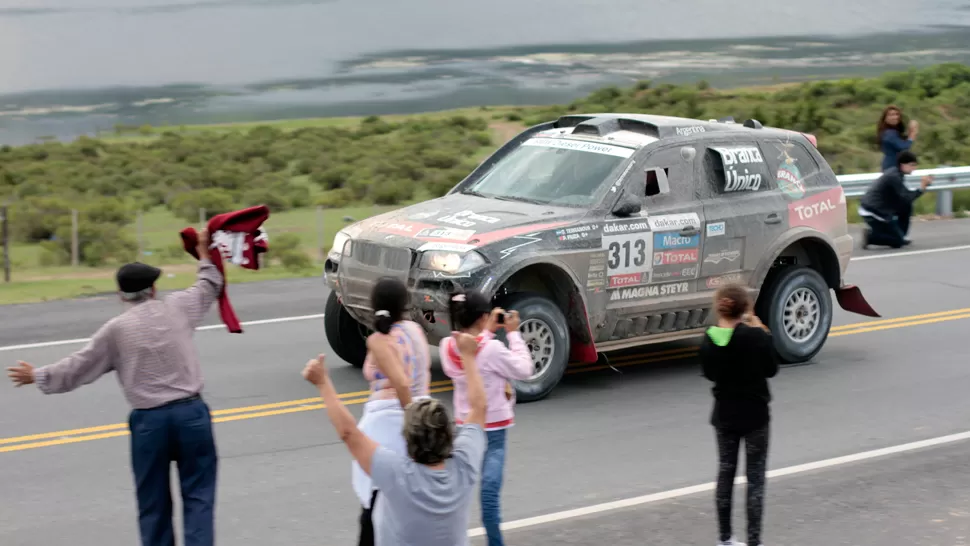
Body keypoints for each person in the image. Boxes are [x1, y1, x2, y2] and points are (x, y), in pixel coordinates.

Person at [6, 230, 223, 546]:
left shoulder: (116, 331)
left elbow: (79, 366)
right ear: (153, 289)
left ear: (121, 295)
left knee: (153, 503)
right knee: (199, 496)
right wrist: (204, 252)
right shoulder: (178, 307)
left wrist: (38, 375)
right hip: (192, 414)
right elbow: (209, 284)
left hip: (150, 423)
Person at [302, 333, 487, 546]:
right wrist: (469, 356)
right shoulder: (465, 464)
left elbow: (349, 433)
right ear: (449, 434)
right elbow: (479, 407)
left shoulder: (397, 474)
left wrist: (323, 382)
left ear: (407, 438)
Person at [439, 291, 534, 546]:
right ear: (483, 317)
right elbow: (525, 369)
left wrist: (486, 331)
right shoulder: (492, 349)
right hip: (493, 433)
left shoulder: (447, 347)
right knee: (489, 495)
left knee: (458, 491)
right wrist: (512, 333)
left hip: (465, 428)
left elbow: (472, 351)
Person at [354, 276, 432, 546]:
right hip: (422, 420)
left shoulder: (380, 339)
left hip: (385, 428)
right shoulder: (415, 331)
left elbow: (395, 380)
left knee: (375, 506)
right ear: (405, 304)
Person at [700, 284, 778, 546]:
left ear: (719, 307)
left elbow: (710, 374)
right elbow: (771, 369)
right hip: (755, 416)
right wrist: (761, 329)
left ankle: (725, 538)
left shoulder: (709, 339)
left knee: (725, 475)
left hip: (724, 416)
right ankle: (754, 540)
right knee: (755, 480)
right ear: (745, 309)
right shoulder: (756, 337)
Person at [859, 150, 934, 249]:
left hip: (880, 208)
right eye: (912, 165)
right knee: (898, 242)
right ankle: (870, 237)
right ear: (903, 165)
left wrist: (921, 188)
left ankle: (900, 235)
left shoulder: (897, 174)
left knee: (906, 206)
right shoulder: (894, 177)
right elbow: (907, 197)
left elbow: (905, 198)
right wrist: (922, 188)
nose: (914, 168)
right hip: (873, 212)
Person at [877, 105, 919, 172]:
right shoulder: (889, 133)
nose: (895, 117)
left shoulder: (891, 132)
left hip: (893, 167)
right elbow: (903, 147)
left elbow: (901, 142)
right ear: (885, 118)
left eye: (897, 114)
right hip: (891, 168)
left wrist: (910, 131)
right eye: (891, 115)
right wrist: (912, 134)